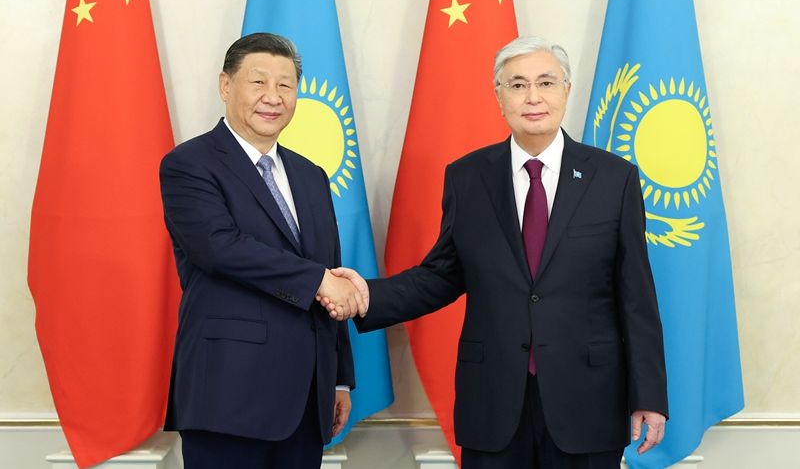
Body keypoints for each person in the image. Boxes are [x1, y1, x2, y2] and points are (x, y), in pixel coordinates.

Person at [332, 36, 668, 468]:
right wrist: (366, 295)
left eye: (546, 82)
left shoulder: (614, 178)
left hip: (588, 399)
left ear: (567, 91)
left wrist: (649, 396)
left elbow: (637, 295)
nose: (533, 97)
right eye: (517, 85)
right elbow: (443, 274)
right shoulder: (468, 177)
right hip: (493, 400)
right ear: (499, 97)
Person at [159, 32, 366, 469]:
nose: (273, 97)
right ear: (225, 85)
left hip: (307, 399)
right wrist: (318, 280)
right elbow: (219, 247)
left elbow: (330, 271)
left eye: (285, 85)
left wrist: (339, 379)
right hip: (227, 396)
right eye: (258, 82)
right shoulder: (189, 164)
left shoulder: (311, 176)